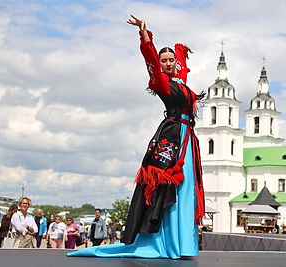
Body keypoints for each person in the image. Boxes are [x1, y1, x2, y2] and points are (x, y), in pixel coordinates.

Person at [68, 14, 204, 259]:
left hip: (187, 138)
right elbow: (150, 58)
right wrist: (144, 33)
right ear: (160, 65)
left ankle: (182, 244)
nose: (169, 63)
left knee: (185, 190)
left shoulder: (180, 81)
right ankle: (166, 243)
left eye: (172, 60)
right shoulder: (162, 82)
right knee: (166, 188)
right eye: (165, 61)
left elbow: (180, 65)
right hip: (172, 137)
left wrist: (182, 49)